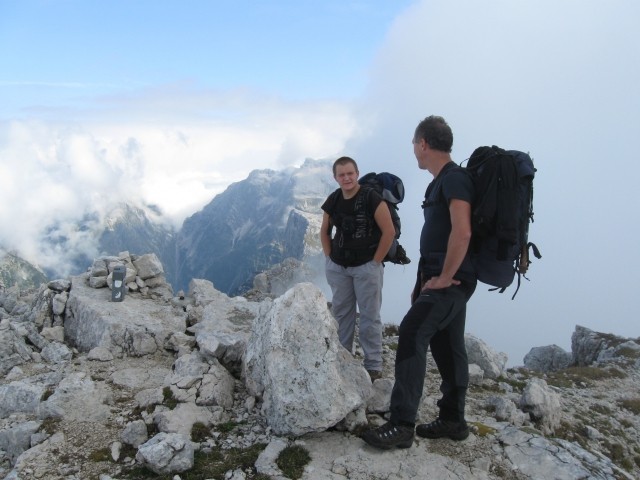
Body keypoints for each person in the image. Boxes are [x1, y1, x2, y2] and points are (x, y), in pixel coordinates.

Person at [362, 115, 477, 449]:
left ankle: (401, 425)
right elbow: (438, 237)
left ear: (423, 143)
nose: (413, 150)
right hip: (440, 276)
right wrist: (422, 281)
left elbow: (463, 230)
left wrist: (444, 277)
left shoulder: (455, 179)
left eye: (414, 143)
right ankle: (453, 420)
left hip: (452, 279)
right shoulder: (437, 182)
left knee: (412, 332)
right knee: (448, 345)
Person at [320, 156, 396, 381]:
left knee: (369, 316)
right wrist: (329, 259)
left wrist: (375, 262)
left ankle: (373, 365)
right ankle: (343, 359)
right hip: (339, 266)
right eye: (341, 175)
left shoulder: (372, 198)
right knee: (342, 313)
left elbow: (388, 231)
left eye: (350, 173)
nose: (346, 178)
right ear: (335, 177)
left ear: (357, 173)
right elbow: (324, 231)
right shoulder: (333, 199)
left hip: (366, 267)